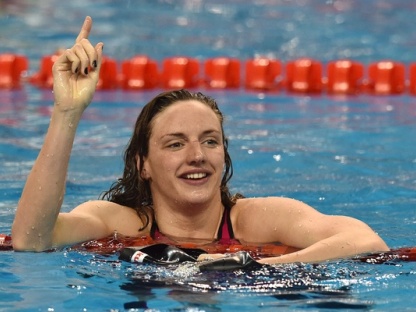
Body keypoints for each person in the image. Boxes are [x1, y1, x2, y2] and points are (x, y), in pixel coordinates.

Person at [11, 16, 389, 264]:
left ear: (224, 153)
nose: (197, 156)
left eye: (210, 141)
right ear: (143, 164)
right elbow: (31, 240)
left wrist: (252, 265)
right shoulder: (119, 223)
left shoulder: (255, 220)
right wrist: (66, 113)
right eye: (175, 144)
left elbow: (365, 239)